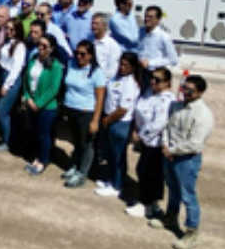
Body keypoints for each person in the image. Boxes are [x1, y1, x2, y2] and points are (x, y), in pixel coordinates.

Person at [154, 75, 215, 249]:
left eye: (190, 90)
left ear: (200, 92)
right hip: (171, 154)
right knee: (172, 189)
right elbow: (167, 127)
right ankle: (171, 217)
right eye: (184, 88)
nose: (185, 92)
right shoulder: (177, 106)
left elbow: (195, 143)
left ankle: (191, 231)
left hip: (187, 159)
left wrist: (172, 150)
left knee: (188, 196)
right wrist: (166, 145)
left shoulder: (203, 114)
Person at [96, 51, 145, 199]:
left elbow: (123, 109)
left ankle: (117, 186)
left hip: (119, 123)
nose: (122, 67)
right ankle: (111, 179)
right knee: (110, 154)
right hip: (110, 119)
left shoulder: (130, 83)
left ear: (133, 67)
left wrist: (107, 120)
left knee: (118, 156)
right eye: (121, 63)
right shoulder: (117, 77)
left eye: (125, 65)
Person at [128, 67, 175, 219]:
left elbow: (159, 123)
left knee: (149, 172)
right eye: (152, 78)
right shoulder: (149, 93)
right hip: (144, 139)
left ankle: (146, 203)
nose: (153, 82)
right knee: (146, 171)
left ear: (167, 82)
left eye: (158, 80)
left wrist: (141, 136)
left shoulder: (166, 100)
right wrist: (135, 128)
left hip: (155, 143)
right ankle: (150, 202)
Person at [61, 40, 108, 188]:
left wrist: (95, 120)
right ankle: (75, 165)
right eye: (77, 53)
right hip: (71, 109)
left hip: (85, 112)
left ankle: (82, 173)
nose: (79, 56)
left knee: (86, 144)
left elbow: (100, 98)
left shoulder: (96, 72)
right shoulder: (71, 65)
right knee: (76, 141)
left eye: (83, 54)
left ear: (90, 55)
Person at [21, 34, 65, 176]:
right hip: (31, 103)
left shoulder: (56, 65)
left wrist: (38, 103)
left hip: (47, 107)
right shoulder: (34, 60)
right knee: (34, 133)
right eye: (39, 44)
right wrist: (28, 98)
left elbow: (53, 88)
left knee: (44, 135)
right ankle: (36, 157)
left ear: (51, 48)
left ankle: (43, 160)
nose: (40, 47)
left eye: (44, 45)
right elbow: (26, 80)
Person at [0, 20, 28, 153]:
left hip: (11, 79)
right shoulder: (7, 42)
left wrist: (6, 85)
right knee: (8, 111)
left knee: (1, 111)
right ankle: (9, 135)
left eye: (12, 29)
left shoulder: (20, 46)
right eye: (7, 28)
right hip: (3, 74)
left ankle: (7, 141)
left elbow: (16, 68)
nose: (8, 31)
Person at [138, 5, 179, 70]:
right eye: (146, 16)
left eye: (150, 17)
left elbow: (173, 59)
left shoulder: (163, 36)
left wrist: (150, 63)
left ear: (158, 20)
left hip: (154, 71)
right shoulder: (140, 32)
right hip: (139, 71)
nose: (147, 19)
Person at [92, 13, 122, 81]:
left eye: (96, 24)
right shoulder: (90, 42)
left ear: (104, 26)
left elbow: (112, 70)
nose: (93, 26)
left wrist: (102, 82)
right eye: (92, 23)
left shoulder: (112, 46)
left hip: (103, 83)